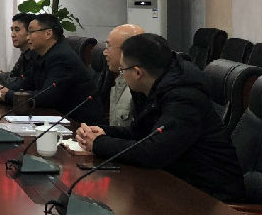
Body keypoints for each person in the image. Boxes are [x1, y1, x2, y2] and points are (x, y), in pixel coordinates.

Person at [75, 33, 245, 202]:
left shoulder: (184, 98)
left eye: (122, 70)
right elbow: (142, 132)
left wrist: (100, 143)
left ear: (137, 72)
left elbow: (153, 152)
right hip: (176, 182)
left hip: (210, 198)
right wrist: (104, 132)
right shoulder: (157, 84)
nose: (122, 75)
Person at [5, 13, 102, 123]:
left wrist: (8, 95)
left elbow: (47, 97)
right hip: (56, 117)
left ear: (48, 33)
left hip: (79, 123)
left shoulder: (61, 57)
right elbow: (26, 82)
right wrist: (0, 90)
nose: (28, 37)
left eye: (31, 32)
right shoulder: (41, 54)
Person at [99, 23, 144, 127]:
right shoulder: (118, 78)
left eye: (109, 46)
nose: (104, 52)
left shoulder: (140, 85)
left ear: (127, 50)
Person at [0, 12, 37, 89]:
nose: (12, 35)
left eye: (17, 30)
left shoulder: (36, 55)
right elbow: (14, 75)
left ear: (29, 32)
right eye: (12, 30)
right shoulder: (25, 54)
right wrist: (0, 73)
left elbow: (22, 84)